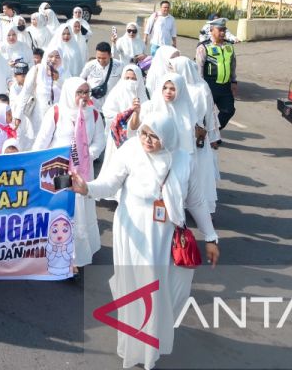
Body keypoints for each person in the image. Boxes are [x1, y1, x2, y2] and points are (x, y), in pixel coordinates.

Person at [71, 108, 219, 370]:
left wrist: (210, 237)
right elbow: (109, 184)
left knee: (164, 290)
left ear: (168, 137)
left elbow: (196, 201)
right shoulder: (130, 150)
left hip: (166, 234)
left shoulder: (184, 160)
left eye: (154, 136)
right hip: (133, 230)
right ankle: (137, 347)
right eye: (144, 134)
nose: (148, 140)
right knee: (138, 289)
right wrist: (86, 188)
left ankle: (152, 341)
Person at [33, 76, 105, 269]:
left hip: (82, 173)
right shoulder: (57, 112)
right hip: (59, 171)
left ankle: (77, 255)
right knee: (61, 208)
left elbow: (99, 140)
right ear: (69, 93)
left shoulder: (94, 114)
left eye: (86, 92)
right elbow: (42, 141)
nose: (83, 96)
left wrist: (86, 153)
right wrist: (33, 165)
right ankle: (57, 252)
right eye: (79, 92)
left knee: (80, 210)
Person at [195, 17, 237, 129]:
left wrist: (234, 81)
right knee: (204, 114)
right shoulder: (204, 47)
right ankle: (202, 135)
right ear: (212, 30)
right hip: (209, 85)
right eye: (220, 30)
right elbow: (199, 67)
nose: (222, 33)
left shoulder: (229, 46)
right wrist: (201, 86)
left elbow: (232, 65)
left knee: (229, 111)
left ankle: (213, 131)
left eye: (224, 30)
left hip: (225, 86)